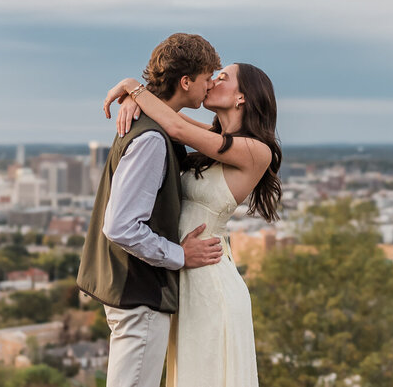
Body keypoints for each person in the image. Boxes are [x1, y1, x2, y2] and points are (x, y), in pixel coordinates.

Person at [103, 61, 282, 387]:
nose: (213, 81)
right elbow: (171, 117)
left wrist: (133, 85)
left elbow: (177, 128)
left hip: (210, 281)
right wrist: (137, 100)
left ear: (242, 97)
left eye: (223, 77)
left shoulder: (257, 151)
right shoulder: (214, 139)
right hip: (184, 272)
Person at [76, 33, 226, 387]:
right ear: (186, 81)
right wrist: (179, 255)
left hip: (131, 290)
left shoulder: (152, 125)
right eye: (207, 78)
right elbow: (121, 226)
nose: (209, 87)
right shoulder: (152, 139)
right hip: (139, 295)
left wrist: (134, 90)